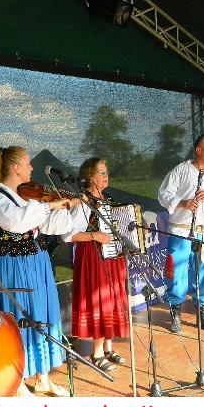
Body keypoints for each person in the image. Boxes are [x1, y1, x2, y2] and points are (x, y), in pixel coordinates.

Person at [0, 146, 79, 397]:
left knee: (40, 313)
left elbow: (48, 226)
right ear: (16, 168)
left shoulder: (27, 196)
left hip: (36, 260)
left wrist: (66, 207)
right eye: (28, 164)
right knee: (20, 315)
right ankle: (17, 381)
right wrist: (50, 205)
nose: (31, 168)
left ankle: (42, 377)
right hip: (13, 264)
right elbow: (16, 222)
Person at [158, 135, 204, 333]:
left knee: (203, 273)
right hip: (181, 230)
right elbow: (163, 194)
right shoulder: (181, 170)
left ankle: (203, 313)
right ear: (199, 150)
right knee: (177, 273)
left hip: (203, 232)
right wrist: (182, 203)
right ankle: (175, 313)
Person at [61, 158, 129, 372]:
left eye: (106, 172)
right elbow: (68, 235)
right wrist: (95, 236)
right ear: (89, 177)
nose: (106, 176)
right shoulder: (83, 202)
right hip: (93, 257)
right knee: (100, 302)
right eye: (101, 172)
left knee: (111, 301)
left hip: (112, 257)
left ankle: (108, 347)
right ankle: (97, 352)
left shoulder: (108, 200)